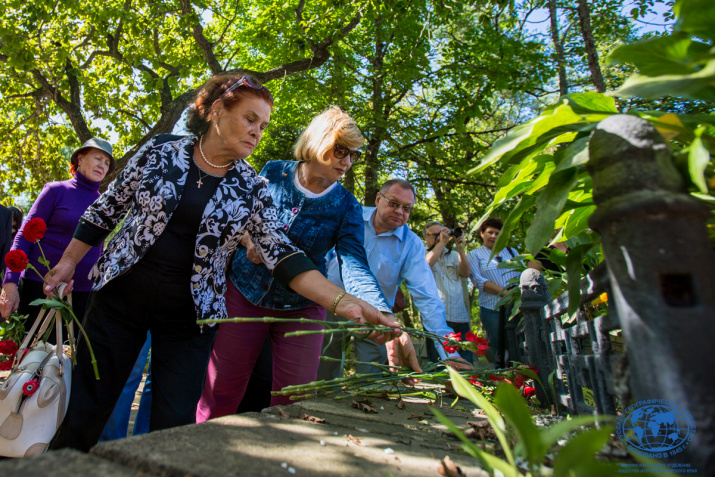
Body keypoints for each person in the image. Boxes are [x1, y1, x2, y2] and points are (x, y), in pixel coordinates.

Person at [43, 75, 401, 452]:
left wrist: (344, 302)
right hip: (119, 302)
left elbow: (282, 254)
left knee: (174, 427)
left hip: (190, 319)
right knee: (85, 410)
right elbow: (107, 208)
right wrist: (69, 262)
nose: (257, 132)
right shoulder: (161, 150)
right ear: (216, 110)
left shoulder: (252, 186)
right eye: (250, 119)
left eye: (263, 126)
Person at [197, 107, 419, 421]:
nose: (346, 161)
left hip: (303, 306)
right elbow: (241, 218)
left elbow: (354, 264)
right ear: (317, 141)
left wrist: (380, 311)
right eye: (340, 150)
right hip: (244, 292)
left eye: (353, 155)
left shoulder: (346, 206)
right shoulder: (274, 172)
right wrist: (249, 241)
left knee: (296, 399)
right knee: (222, 388)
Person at [318, 179, 471, 381]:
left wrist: (449, 351)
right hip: (332, 306)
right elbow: (321, 256)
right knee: (322, 373)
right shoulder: (349, 216)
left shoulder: (412, 245)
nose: (400, 211)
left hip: (377, 318)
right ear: (378, 199)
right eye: (394, 203)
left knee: (372, 380)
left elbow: (428, 297)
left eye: (406, 208)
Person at [0, 139, 115, 334]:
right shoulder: (55, 190)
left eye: (106, 163)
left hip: (81, 296)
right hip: (39, 288)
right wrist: (10, 282)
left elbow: (98, 250)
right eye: (98, 158)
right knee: (31, 358)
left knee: (67, 362)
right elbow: (23, 237)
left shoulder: (105, 204)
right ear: (80, 158)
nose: (102, 165)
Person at [466, 217, 521, 347]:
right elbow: (479, 280)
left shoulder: (512, 252)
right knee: (500, 346)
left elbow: (522, 273)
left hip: (516, 306)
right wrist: (505, 293)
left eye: (497, 233)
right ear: (482, 233)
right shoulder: (475, 254)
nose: (494, 236)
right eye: (490, 232)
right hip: (492, 308)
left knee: (519, 343)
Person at [423, 221, 472, 363]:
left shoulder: (454, 255)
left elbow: (466, 273)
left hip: (459, 315)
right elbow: (425, 267)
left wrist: (460, 248)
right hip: (436, 316)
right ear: (426, 237)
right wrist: (442, 243)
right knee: (440, 361)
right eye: (435, 235)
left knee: (465, 359)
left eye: (442, 233)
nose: (439, 237)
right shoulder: (422, 253)